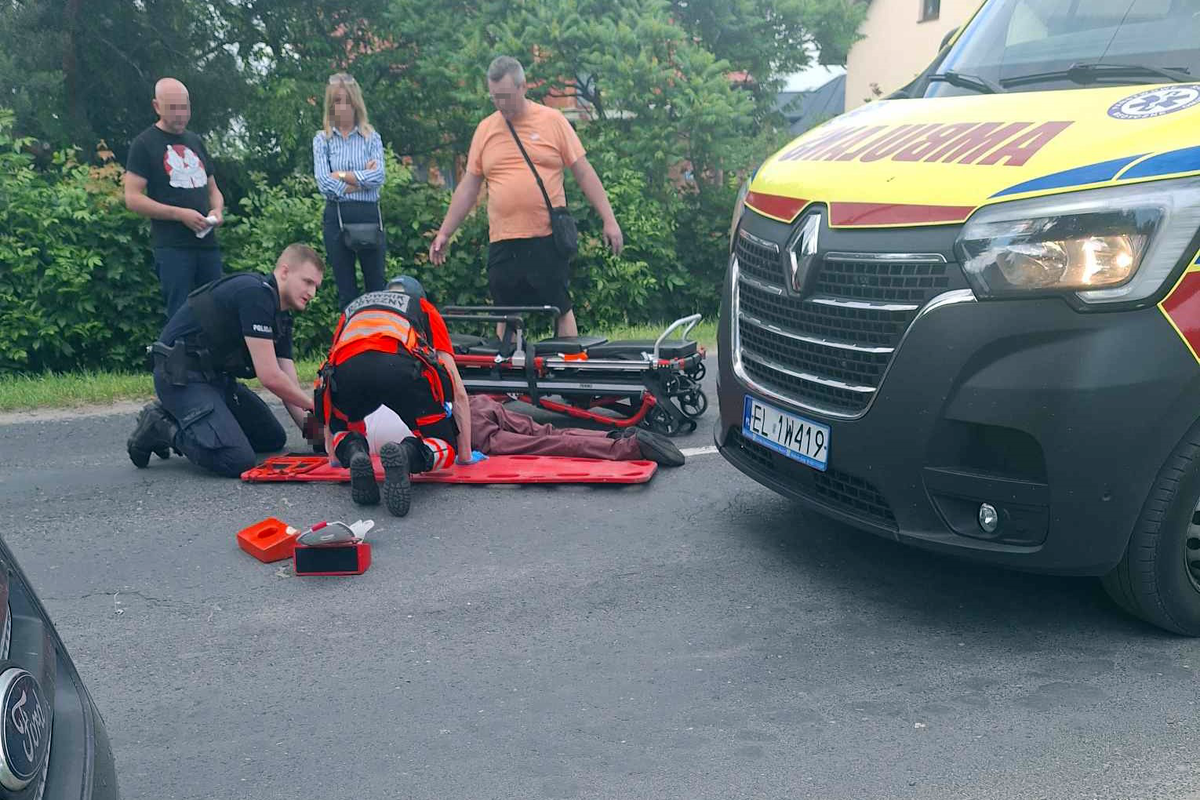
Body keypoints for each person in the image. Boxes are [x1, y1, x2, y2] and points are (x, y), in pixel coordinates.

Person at [429, 56, 624, 338]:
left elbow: (584, 173)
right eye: (495, 97)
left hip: (545, 237)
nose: (501, 104)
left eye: (506, 96)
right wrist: (445, 232)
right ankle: (508, 375)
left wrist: (609, 219)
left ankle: (566, 371)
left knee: (560, 306)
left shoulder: (552, 121)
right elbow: (469, 187)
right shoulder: (486, 129)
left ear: (524, 87)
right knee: (504, 311)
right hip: (503, 240)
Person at [126, 244, 324, 478]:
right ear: (284, 272)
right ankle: (159, 425)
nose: (312, 293)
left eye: (316, 287)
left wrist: (318, 437)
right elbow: (270, 376)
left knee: (272, 439)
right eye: (307, 282)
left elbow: (287, 384)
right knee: (237, 459)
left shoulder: (280, 315)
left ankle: (208, 425)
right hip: (180, 379)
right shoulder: (255, 295)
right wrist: (318, 407)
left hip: (216, 380)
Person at [315, 275, 477, 517]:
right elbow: (456, 388)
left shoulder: (353, 309)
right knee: (444, 445)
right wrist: (464, 456)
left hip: (349, 372)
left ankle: (354, 451)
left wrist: (334, 456)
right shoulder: (422, 307)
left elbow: (327, 375)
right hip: (400, 370)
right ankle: (407, 455)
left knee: (345, 429)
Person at [124, 77, 227, 320]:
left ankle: (216, 358)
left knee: (218, 307)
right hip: (173, 247)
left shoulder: (195, 140)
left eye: (185, 107)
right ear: (157, 106)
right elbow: (133, 198)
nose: (180, 115)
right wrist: (179, 214)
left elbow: (213, 189)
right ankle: (179, 358)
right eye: (173, 109)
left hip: (207, 244)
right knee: (181, 314)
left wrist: (217, 211)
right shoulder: (144, 144)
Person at [361, 395, 686, 467]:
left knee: (543, 444)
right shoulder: (372, 391)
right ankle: (614, 436)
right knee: (546, 430)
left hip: (466, 430)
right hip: (474, 404)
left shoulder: (363, 433)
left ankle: (625, 448)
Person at [313, 72, 388, 309]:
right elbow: (324, 183)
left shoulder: (371, 137)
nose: (342, 107)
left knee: (376, 289)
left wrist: (342, 176)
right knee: (347, 293)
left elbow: (379, 176)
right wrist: (360, 179)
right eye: (337, 101)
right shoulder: (322, 139)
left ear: (355, 103)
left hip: (368, 216)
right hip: (336, 218)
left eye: (346, 101)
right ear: (330, 104)